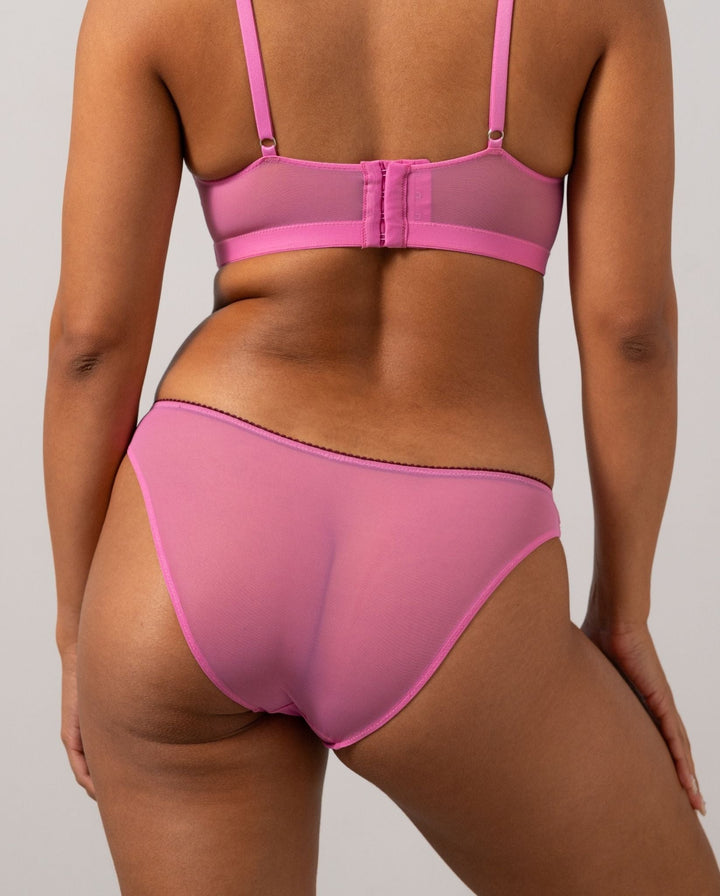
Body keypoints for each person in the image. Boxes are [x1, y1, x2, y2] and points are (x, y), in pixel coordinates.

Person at [43, 0, 720, 892]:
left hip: (193, 538)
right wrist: (623, 610)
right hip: (451, 553)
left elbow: (90, 345)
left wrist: (77, 625)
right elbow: (634, 335)